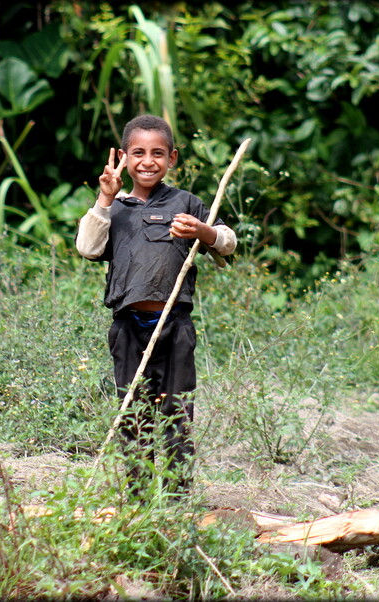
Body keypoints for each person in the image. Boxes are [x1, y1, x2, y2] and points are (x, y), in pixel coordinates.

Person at [76, 114, 237, 496]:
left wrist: (204, 232)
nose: (148, 161)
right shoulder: (114, 208)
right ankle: (139, 500)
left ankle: (178, 500)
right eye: (138, 153)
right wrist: (104, 197)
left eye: (157, 153)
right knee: (133, 414)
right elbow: (87, 247)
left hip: (175, 326)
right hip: (129, 328)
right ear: (123, 158)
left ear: (172, 158)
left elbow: (228, 242)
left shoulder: (186, 203)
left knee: (178, 414)